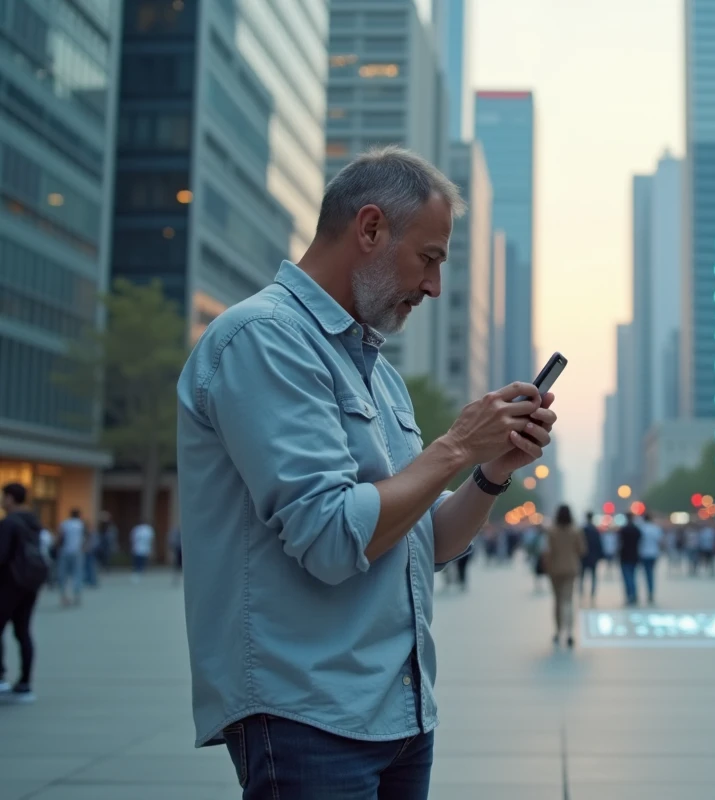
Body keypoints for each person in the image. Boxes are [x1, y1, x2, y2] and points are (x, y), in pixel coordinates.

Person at [175, 146, 558, 799]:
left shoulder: (380, 377)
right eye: (430, 259)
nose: (434, 287)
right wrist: (456, 447)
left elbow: (421, 544)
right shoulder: (262, 339)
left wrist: (490, 472)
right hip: (307, 716)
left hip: (400, 714)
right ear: (371, 228)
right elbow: (330, 539)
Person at [0, 483, 43, 703]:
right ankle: (25, 683)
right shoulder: (33, 522)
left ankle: (1, 678)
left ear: (10, 498)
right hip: (30, 583)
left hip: (9, 583)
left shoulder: (9, 523)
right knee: (23, 631)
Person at [543, 506, 586, 648]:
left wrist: (547, 567)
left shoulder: (552, 532)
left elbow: (548, 551)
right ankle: (569, 633)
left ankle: (557, 631)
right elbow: (582, 550)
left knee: (557, 601)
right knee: (567, 600)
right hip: (571, 569)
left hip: (554, 570)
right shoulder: (575, 531)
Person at [56, 509, 86, 607]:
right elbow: (85, 538)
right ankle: (76, 595)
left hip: (65, 551)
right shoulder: (81, 525)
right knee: (77, 573)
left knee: (63, 574)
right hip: (77, 551)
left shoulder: (65, 524)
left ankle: (64, 596)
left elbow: (60, 537)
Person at [638, 511, 663, 605]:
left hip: (643, 554)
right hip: (653, 554)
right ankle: (650, 593)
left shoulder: (641, 528)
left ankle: (642, 593)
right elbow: (660, 541)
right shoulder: (656, 528)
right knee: (651, 574)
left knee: (644, 574)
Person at [579, 512, 603, 604]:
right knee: (593, 576)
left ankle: (582, 592)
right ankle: (592, 593)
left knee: (582, 576)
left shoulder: (583, 530)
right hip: (593, 557)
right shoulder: (595, 530)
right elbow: (599, 543)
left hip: (584, 557)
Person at [618, 515, 642, 606]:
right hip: (634, 555)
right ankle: (634, 594)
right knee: (633, 576)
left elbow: (619, 542)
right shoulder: (636, 530)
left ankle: (630, 595)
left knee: (627, 577)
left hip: (625, 556)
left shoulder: (623, 530)